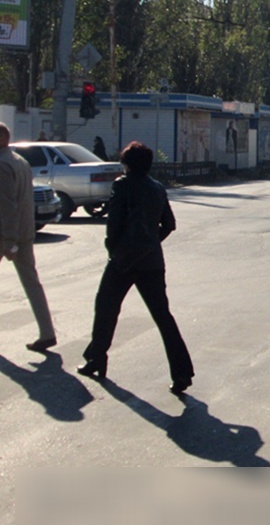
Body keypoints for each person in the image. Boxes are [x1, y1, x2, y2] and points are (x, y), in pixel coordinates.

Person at [78, 141, 194, 395]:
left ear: (127, 164)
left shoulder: (122, 185)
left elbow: (114, 223)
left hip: (122, 261)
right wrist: (150, 243)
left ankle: (96, 358)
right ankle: (182, 372)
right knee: (163, 317)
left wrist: (114, 249)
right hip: (152, 261)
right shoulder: (157, 188)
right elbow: (169, 224)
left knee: (106, 307)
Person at [0, 123, 57, 352]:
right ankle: (47, 332)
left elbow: (7, 205)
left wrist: (8, 241)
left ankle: (47, 333)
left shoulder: (2, 165)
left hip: (6, 233)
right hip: (24, 230)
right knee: (32, 283)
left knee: (31, 282)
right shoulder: (19, 161)